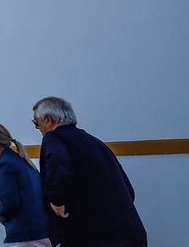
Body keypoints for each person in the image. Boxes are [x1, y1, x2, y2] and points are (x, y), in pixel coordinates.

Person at [33, 96, 146, 247]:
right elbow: (129, 190)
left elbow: (59, 165)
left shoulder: (54, 138)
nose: (38, 129)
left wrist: (57, 200)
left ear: (48, 119)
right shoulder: (96, 143)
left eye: (36, 123)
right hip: (129, 232)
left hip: (88, 236)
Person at [0, 122, 49, 247]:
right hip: (40, 229)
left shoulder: (5, 166)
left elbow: (9, 202)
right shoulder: (22, 162)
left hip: (23, 233)